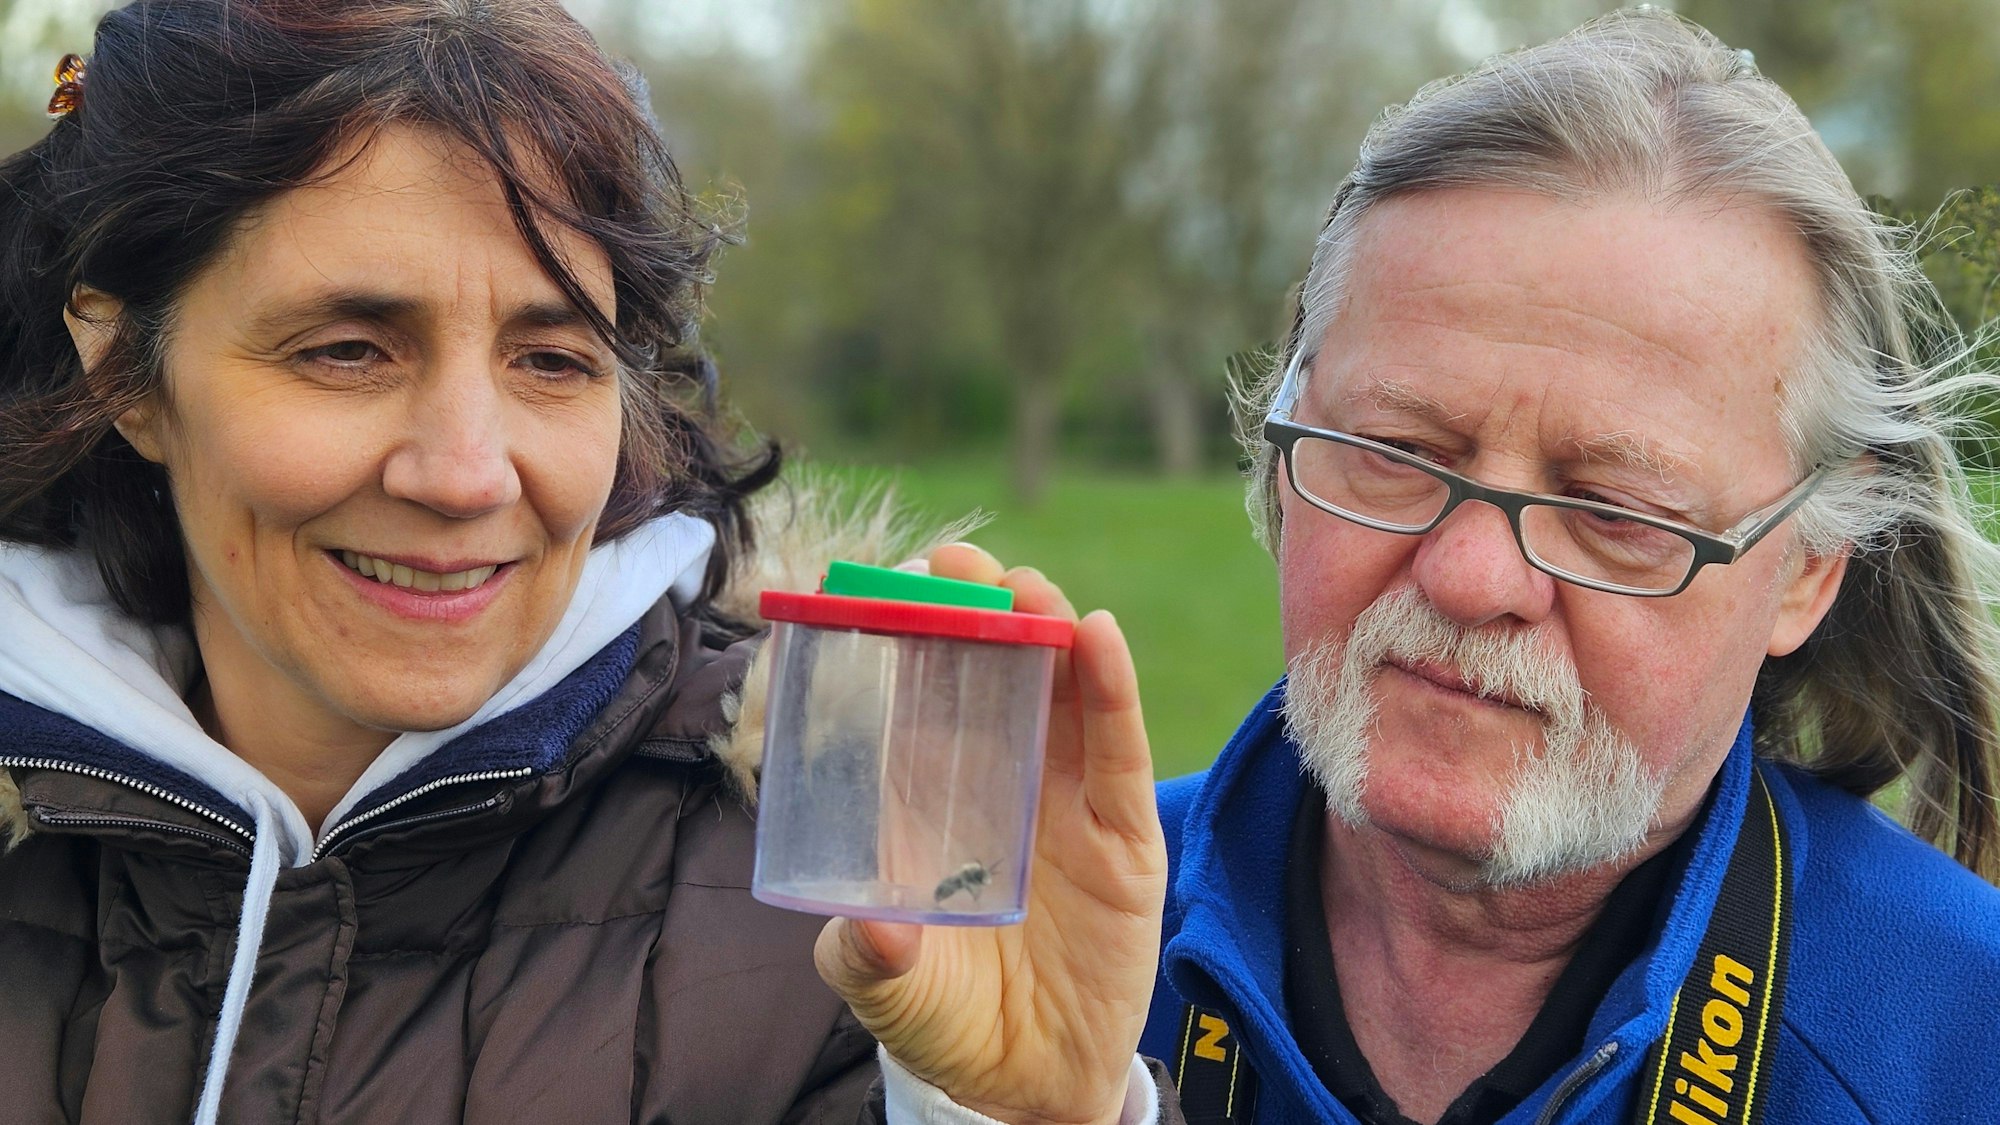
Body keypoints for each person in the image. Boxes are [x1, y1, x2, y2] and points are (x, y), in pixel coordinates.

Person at [0, 2, 1168, 1123]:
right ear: (121, 368)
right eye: (347, 350)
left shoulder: (853, 886)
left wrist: (1018, 1119)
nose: (467, 474)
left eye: (552, 360)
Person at [1136, 9, 2000, 1125]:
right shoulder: (988, 944)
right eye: (1395, 453)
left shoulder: (1959, 1048)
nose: (1467, 576)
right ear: (1283, 433)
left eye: (1612, 509)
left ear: (1807, 568)